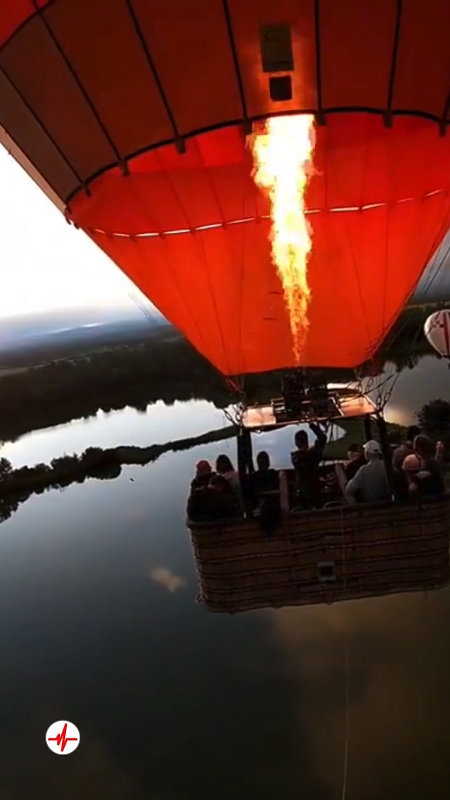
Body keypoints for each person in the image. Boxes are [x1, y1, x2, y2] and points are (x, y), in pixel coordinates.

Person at [291, 422, 327, 508]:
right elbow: (322, 438)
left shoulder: (295, 458)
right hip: (316, 490)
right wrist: (312, 425)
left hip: (302, 494)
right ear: (307, 441)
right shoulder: (312, 455)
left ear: (296, 443)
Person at [345, 440, 390, 504]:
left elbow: (349, 489)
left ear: (367, 453)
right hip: (387, 502)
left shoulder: (364, 470)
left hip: (370, 504)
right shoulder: (386, 466)